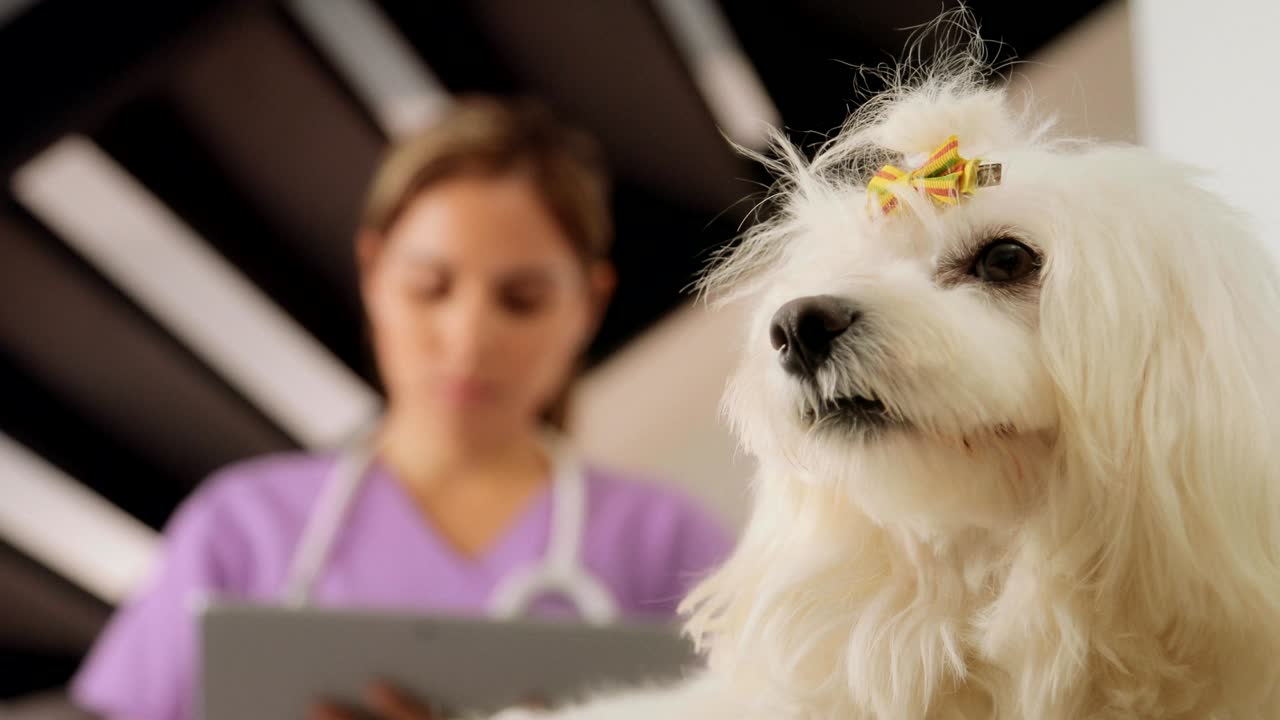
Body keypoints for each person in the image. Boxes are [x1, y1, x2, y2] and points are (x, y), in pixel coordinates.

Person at [71, 97, 733, 720]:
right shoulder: (240, 530)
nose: (469, 339)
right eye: (429, 287)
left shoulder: (671, 546)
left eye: (522, 300)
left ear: (588, 305)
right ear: (373, 272)